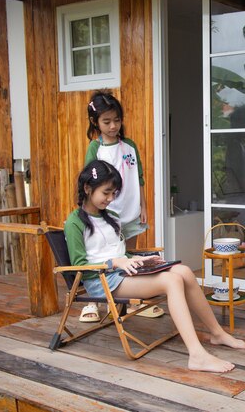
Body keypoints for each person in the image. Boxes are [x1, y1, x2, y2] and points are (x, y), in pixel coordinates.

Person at [65, 160, 245, 372]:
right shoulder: (75, 223)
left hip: (123, 271)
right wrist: (114, 262)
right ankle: (197, 355)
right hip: (102, 280)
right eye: (106, 192)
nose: (111, 198)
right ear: (87, 188)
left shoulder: (111, 217)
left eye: (114, 193)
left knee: (185, 272)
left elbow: (118, 252)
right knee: (171, 281)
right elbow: (79, 265)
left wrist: (143, 260)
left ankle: (217, 333)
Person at [82, 90, 161, 321]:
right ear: (95, 122)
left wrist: (144, 207)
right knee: (104, 257)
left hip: (132, 213)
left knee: (130, 260)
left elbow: (139, 178)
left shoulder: (130, 146)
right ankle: (94, 302)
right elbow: (89, 182)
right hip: (107, 215)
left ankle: (131, 302)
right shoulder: (95, 149)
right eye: (106, 121)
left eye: (117, 120)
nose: (113, 125)